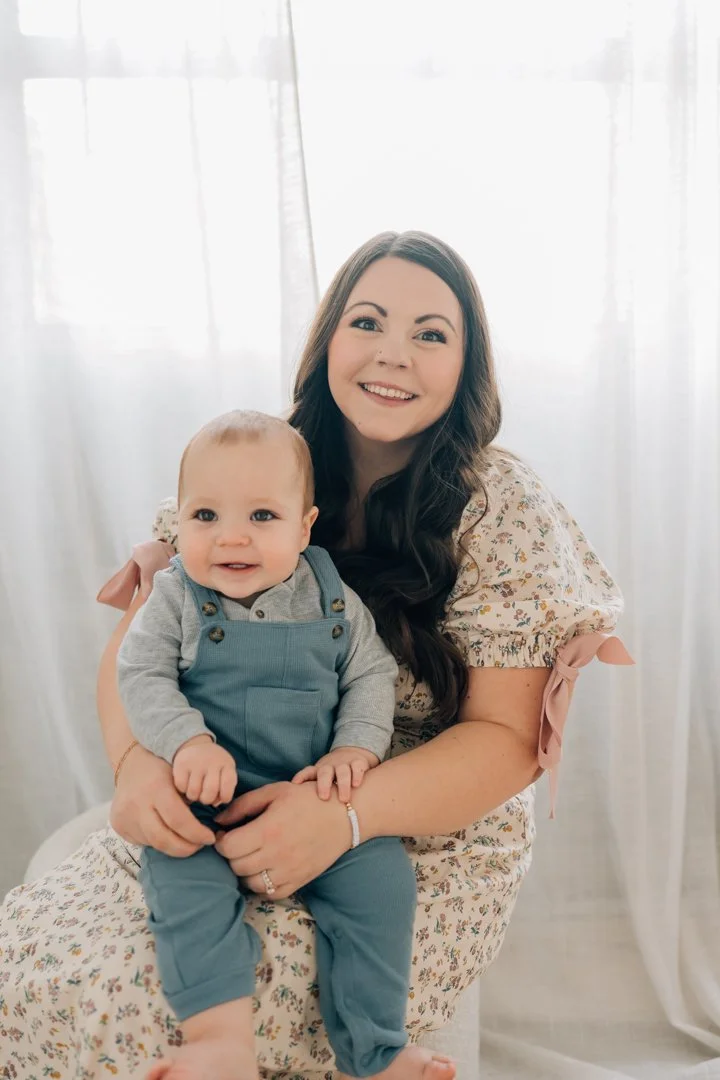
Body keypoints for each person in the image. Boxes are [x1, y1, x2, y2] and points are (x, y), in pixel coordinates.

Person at [0, 230, 631, 1080]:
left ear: (467, 364)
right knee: (46, 968)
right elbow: (142, 647)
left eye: (431, 334)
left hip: (411, 815)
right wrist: (135, 769)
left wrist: (345, 815)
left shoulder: (499, 505)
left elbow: (505, 738)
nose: (393, 354)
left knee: (158, 1008)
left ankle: (367, 1050)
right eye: (367, 321)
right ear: (328, 337)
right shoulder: (268, 460)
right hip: (225, 771)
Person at [117, 409, 424, 1080]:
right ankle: (219, 1040)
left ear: (305, 526)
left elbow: (370, 673)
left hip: (310, 793)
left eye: (261, 517)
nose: (232, 538)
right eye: (205, 517)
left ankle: (376, 1050)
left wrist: (356, 748)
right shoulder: (175, 596)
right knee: (181, 879)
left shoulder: (330, 596)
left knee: (383, 883)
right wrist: (187, 743)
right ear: (179, 521)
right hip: (203, 802)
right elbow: (137, 675)